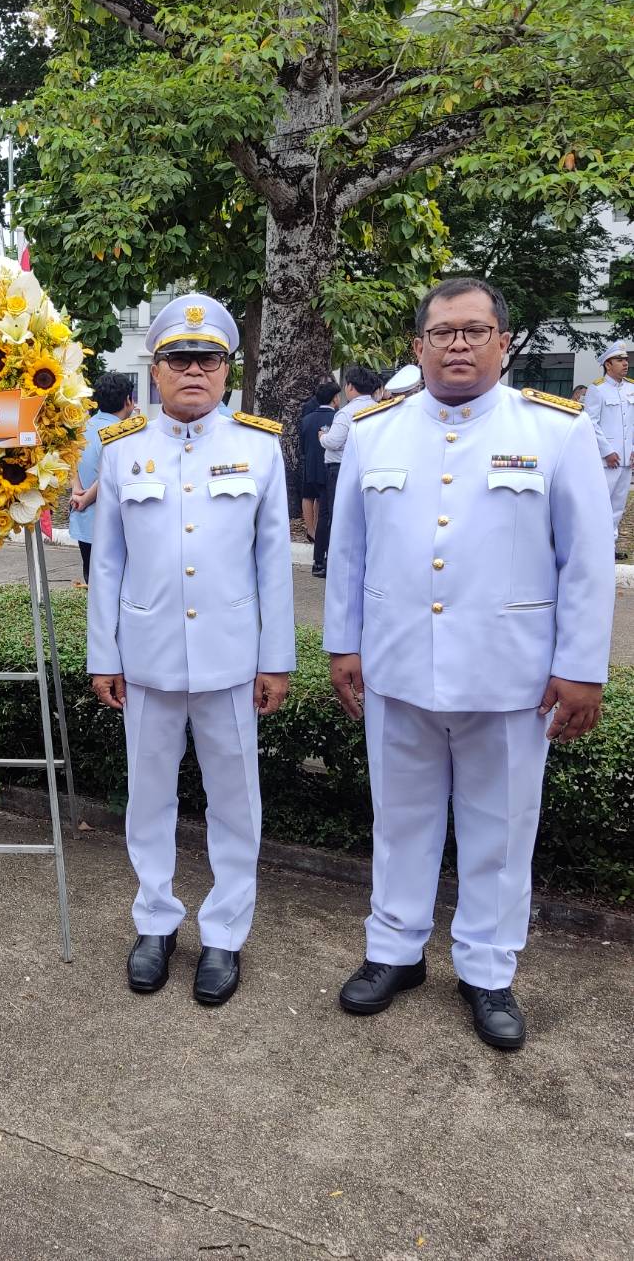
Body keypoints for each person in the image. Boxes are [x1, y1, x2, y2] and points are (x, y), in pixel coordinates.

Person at [323, 277, 614, 1051]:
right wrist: (342, 644)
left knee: (501, 829)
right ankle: (394, 949)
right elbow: (347, 551)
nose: (458, 343)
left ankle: (487, 967)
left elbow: (586, 560)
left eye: (475, 330)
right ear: (418, 346)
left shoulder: (556, 430)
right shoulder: (376, 431)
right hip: (397, 669)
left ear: (502, 343)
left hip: (510, 677)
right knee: (400, 820)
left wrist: (583, 667)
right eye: (443, 331)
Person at [87, 294, 295, 1006]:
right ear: (156, 370)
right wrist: (103, 654)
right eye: (178, 358)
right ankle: (155, 921)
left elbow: (273, 564)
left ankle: (226, 931)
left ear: (228, 368)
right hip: (146, 656)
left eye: (208, 358)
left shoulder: (258, 447)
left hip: (231, 658)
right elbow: (106, 563)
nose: (194, 370)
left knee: (235, 802)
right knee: (148, 798)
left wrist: (275, 659)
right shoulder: (125, 449)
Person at [312, 364, 381, 578]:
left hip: (339, 469)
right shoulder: (379, 409)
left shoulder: (346, 412)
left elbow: (334, 441)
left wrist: (323, 437)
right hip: (369, 468)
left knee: (338, 516)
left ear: (350, 387)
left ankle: (333, 563)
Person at [68, 371, 135, 584]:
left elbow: (70, 460)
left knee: (92, 584)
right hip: (110, 526)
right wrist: (86, 498)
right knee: (114, 586)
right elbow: (110, 472)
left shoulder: (82, 428)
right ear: (128, 400)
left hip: (83, 522)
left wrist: (77, 491)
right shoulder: (122, 433)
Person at [583, 339, 634, 559]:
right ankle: (594, 547)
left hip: (626, 459)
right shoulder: (598, 389)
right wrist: (607, 451)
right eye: (619, 360)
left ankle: (609, 547)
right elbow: (591, 423)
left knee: (617, 507)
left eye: (626, 359)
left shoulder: (631, 388)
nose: (625, 363)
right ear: (608, 364)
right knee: (600, 505)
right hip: (607, 460)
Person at [299, 380, 340, 543]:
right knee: (322, 498)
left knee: (308, 496)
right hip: (329, 464)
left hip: (309, 462)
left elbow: (301, 444)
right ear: (335, 398)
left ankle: (311, 531)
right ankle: (319, 528)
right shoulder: (337, 418)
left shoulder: (306, 419)